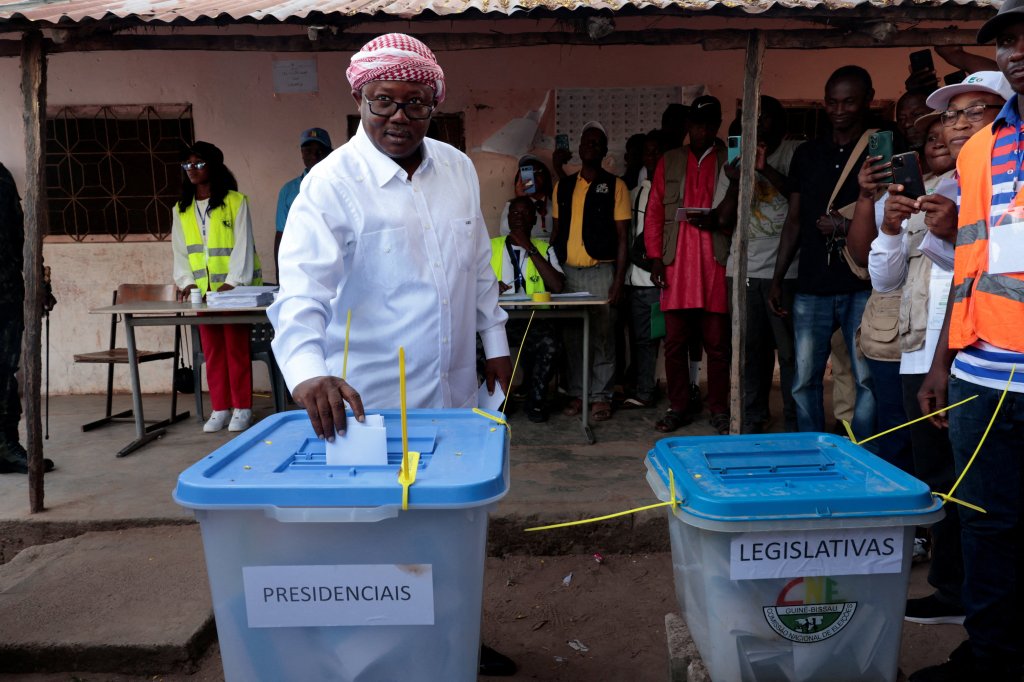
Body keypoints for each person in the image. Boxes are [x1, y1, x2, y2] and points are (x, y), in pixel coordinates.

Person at [267, 34, 515, 677]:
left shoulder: (458, 169)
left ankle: (452, 640)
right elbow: (299, 292)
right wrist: (307, 371)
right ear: (359, 99)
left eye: (415, 105)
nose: (398, 118)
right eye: (383, 103)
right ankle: (369, 656)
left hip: (454, 398)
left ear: (434, 104)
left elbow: (479, 264)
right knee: (371, 534)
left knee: (449, 529)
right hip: (368, 406)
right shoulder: (330, 186)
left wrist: (494, 343)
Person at [912, 7, 1024, 678]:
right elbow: (970, 261)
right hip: (984, 377)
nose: (1016, 51)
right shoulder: (981, 149)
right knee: (988, 526)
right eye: (1008, 41)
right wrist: (945, 362)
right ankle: (991, 654)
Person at [769, 66, 880, 439]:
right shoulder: (807, 153)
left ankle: (863, 453)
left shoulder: (882, 149)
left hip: (862, 283)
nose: (839, 109)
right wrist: (778, 277)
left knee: (866, 378)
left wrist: (847, 227)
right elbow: (795, 220)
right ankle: (811, 450)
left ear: (868, 99)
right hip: (812, 285)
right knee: (803, 380)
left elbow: (897, 217)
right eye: (832, 101)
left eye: (848, 101)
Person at [714, 95, 801, 433]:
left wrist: (765, 168)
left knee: (790, 353)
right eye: (752, 120)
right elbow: (722, 219)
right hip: (743, 271)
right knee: (751, 352)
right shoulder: (734, 162)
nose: (757, 125)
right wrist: (737, 178)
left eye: (764, 119)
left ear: (781, 124)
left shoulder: (794, 152)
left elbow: (801, 196)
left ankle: (796, 420)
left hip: (787, 271)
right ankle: (753, 416)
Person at [646, 95, 731, 434]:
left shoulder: (730, 158)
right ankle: (679, 405)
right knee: (675, 344)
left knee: (718, 346)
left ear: (717, 126)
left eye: (709, 124)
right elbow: (654, 212)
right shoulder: (670, 160)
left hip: (715, 264)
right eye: (696, 124)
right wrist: (655, 258)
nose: (702, 130)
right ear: (688, 126)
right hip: (676, 266)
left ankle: (720, 408)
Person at [171, 141, 263, 433]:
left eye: (198, 164)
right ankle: (220, 407)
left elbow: (243, 246)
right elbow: (180, 251)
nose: (192, 170)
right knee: (212, 353)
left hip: (234, 293)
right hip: (203, 294)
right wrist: (186, 282)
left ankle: (242, 408)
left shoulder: (235, 201)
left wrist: (232, 283)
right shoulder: (181, 209)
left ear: (213, 166)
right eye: (187, 165)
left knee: (236, 351)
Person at [550, 122, 630, 423]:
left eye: (598, 143)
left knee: (604, 336)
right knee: (573, 337)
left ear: (604, 150)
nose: (591, 147)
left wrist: (618, 280)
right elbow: (557, 231)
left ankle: (601, 396)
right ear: (580, 148)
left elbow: (623, 237)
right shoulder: (564, 186)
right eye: (587, 142)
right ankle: (578, 392)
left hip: (602, 271)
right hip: (569, 274)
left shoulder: (615, 186)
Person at [490, 196, 565, 421]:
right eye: (514, 213)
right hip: (499, 322)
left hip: (534, 321)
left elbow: (558, 286)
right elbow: (471, 283)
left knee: (551, 343)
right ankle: (501, 399)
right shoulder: (491, 246)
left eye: (525, 213)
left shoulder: (544, 248)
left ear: (534, 219)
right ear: (508, 218)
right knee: (476, 345)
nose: (519, 217)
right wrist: (490, 286)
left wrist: (529, 247)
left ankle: (536, 401)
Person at [0, 163, 54, 474]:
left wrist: (40, 282)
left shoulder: (1, 176)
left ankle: (6, 444)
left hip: (5, 293)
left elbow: (23, 234)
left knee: (5, 372)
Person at [622, 130, 665, 409]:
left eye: (656, 152)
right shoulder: (635, 192)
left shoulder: (667, 192)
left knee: (649, 338)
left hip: (652, 278)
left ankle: (646, 391)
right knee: (638, 337)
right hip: (631, 277)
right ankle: (641, 386)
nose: (651, 157)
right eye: (647, 152)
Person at [275, 127, 332, 272]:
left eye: (320, 150)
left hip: (334, 263)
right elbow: (281, 234)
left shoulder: (341, 186)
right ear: (301, 154)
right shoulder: (288, 190)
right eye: (308, 151)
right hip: (300, 266)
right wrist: (279, 274)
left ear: (330, 153)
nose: (314, 155)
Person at [497, 155, 554, 240]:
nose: (533, 177)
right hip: (527, 251)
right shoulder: (512, 204)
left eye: (537, 172)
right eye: (528, 174)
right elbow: (504, 232)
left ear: (545, 175)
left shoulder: (556, 203)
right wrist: (519, 200)